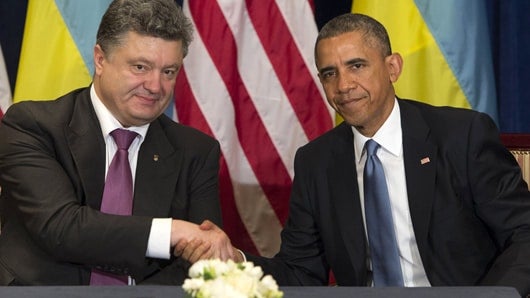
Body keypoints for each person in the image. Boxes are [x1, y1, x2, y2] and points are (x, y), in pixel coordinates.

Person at [179, 13, 530, 296]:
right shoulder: (317, 162)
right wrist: (234, 258)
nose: (343, 85)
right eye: (329, 73)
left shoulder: (460, 136)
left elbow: (523, 234)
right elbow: (300, 273)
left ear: (392, 67)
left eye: (357, 65)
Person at [0, 0, 235, 286]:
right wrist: (172, 232)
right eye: (140, 67)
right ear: (100, 59)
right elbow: (61, 228)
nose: (155, 86)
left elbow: (200, 259)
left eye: (168, 72)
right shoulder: (33, 125)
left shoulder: (196, 151)